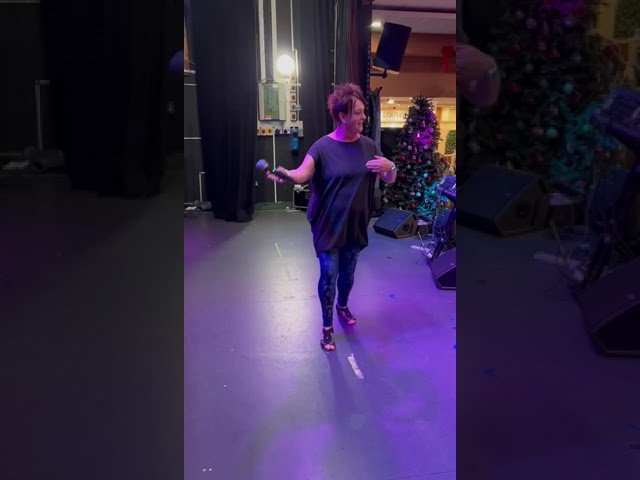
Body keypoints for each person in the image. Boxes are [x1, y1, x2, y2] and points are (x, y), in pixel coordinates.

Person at [265, 83, 397, 351]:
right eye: (357, 113)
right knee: (328, 274)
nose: (363, 117)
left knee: (347, 276)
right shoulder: (322, 147)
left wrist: (390, 166)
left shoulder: (369, 146)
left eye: (363, 112)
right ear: (341, 115)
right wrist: (287, 175)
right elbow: (302, 173)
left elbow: (389, 178)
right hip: (327, 224)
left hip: (355, 224)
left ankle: (342, 306)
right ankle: (327, 326)